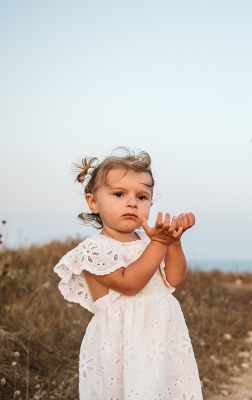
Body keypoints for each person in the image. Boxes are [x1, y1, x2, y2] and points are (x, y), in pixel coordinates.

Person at [54, 149, 203, 399]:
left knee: (165, 390)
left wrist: (173, 242)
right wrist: (159, 243)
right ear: (93, 202)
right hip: (122, 343)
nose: (132, 202)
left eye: (142, 196)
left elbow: (174, 278)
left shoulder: (149, 242)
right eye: (119, 194)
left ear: (150, 204)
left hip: (161, 338)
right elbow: (130, 283)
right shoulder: (94, 249)